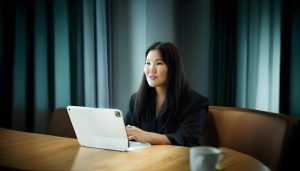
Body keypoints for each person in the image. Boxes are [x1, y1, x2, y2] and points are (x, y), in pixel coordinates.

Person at [124, 41, 208, 147]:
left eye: (159, 63)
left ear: (173, 68)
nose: (151, 69)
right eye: (148, 63)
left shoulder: (195, 102)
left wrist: (147, 136)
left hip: (178, 160)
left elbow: (186, 138)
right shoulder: (136, 99)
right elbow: (126, 131)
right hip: (145, 159)